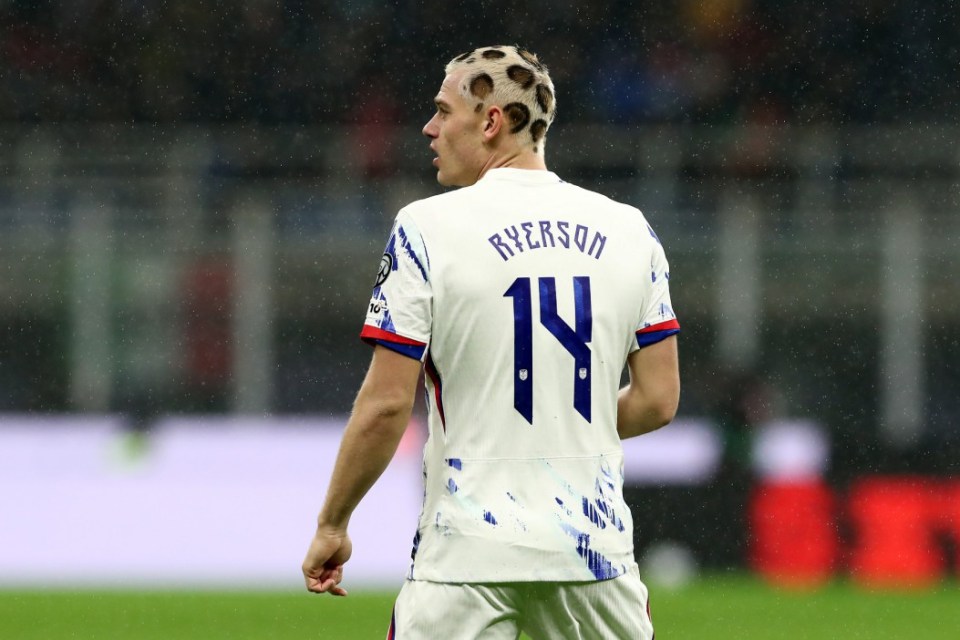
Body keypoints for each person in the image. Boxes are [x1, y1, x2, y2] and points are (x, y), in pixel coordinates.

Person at [302, 45, 681, 639]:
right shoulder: (630, 229)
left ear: (490, 121)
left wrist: (333, 523)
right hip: (593, 557)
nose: (429, 128)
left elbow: (385, 405)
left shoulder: (425, 228)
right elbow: (659, 400)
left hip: (465, 557)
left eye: (442, 110)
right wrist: (558, 421)